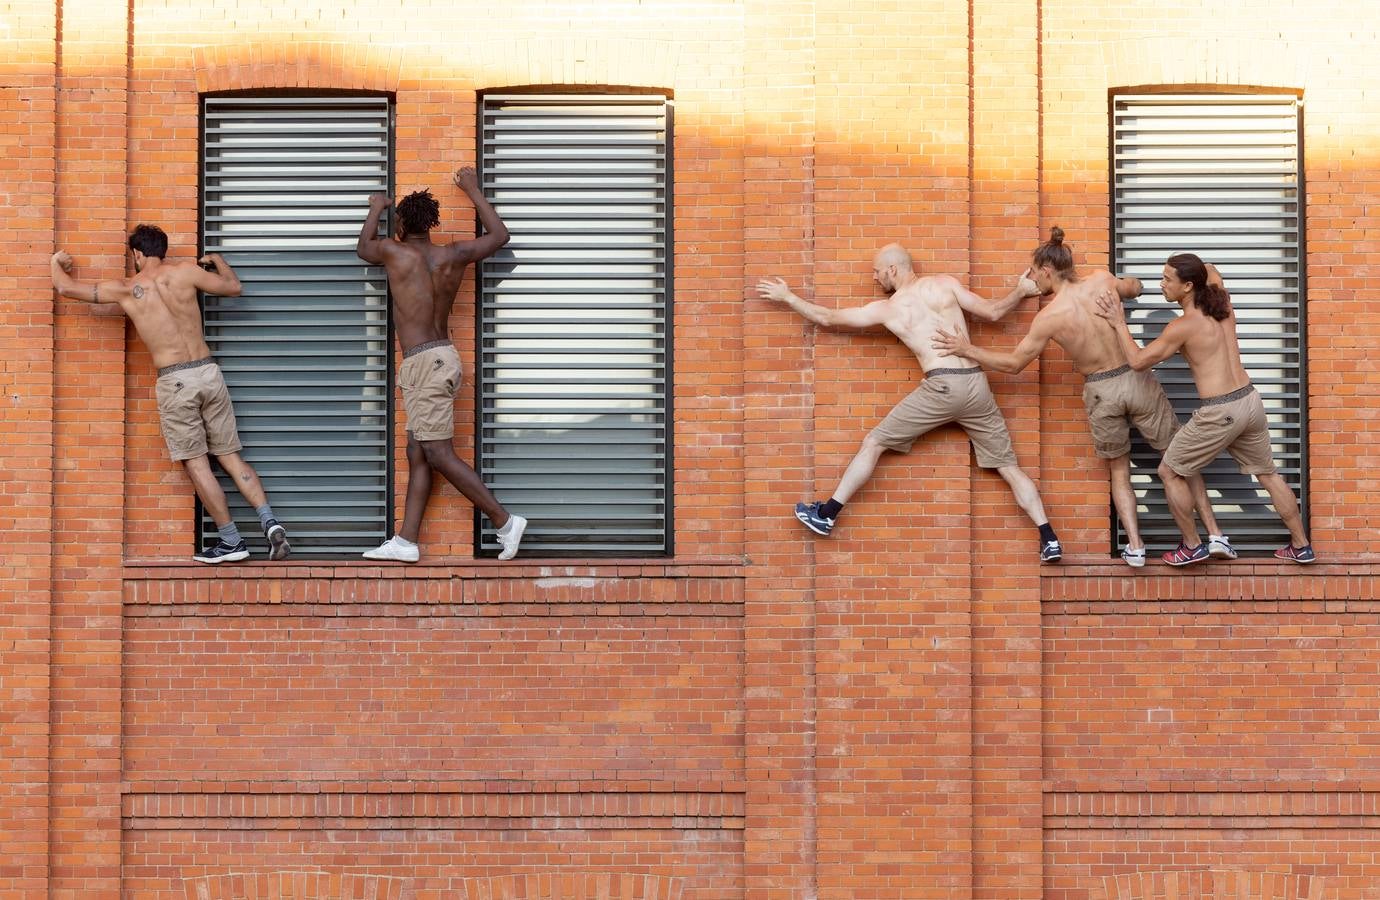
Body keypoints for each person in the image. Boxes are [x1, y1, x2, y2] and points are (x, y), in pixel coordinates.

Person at [931, 227, 1232, 567]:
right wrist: (1131, 286)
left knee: (1119, 470)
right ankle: (1214, 534)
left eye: (1033, 272)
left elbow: (1014, 364)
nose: (1031, 279)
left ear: (1047, 271)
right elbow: (1134, 287)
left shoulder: (1049, 317)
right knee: (1180, 461)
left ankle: (1135, 547)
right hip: (1135, 377)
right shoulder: (1102, 281)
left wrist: (967, 349)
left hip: (1102, 389)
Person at [755, 243, 1064, 563]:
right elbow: (994, 311)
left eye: (877, 271)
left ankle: (827, 514)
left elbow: (829, 318)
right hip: (977, 385)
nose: (875, 277)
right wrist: (1020, 291)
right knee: (1009, 467)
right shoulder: (944, 284)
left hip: (942, 387)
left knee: (873, 442)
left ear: (892, 269)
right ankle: (1049, 538)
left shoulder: (890, 308)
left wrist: (788, 297)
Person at [50, 226, 290, 563]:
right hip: (208, 372)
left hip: (176, 380)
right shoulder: (186, 273)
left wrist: (55, 263)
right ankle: (270, 522)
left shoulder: (127, 288)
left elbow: (65, 287)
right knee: (230, 456)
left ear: (137, 254)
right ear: (161, 251)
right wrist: (218, 259)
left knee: (197, 463)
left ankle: (231, 541)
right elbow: (233, 286)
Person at [1095, 253, 1313, 564]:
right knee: (1269, 474)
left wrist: (1118, 323)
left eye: (1168, 279)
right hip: (1250, 401)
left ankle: (1192, 545)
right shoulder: (1222, 304)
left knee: (1169, 471)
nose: (1161, 284)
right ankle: (1301, 545)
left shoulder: (1183, 326)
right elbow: (1211, 270)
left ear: (1187, 286)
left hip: (1221, 410)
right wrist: (1196, 270)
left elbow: (1138, 361)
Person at [356, 166, 526, 563]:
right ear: (431, 223)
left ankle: (504, 521)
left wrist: (376, 207)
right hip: (442, 356)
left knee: (438, 453)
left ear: (401, 224)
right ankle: (405, 542)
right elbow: (500, 236)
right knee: (418, 451)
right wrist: (473, 189)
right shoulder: (453, 255)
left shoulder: (393, 251)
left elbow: (363, 248)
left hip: (423, 363)